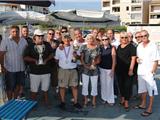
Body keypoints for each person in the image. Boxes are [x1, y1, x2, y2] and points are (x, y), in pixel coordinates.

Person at [23, 29, 53, 107]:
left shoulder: (47, 44)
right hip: (34, 72)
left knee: (45, 89)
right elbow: (25, 57)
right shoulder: (30, 46)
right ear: (34, 37)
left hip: (46, 71)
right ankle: (32, 104)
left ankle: (46, 102)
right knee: (34, 90)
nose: (40, 37)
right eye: (38, 36)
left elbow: (52, 54)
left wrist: (47, 59)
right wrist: (34, 60)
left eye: (42, 36)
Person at [55, 34, 82, 110]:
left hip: (73, 70)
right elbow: (56, 60)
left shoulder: (74, 47)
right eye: (65, 38)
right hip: (63, 70)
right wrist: (61, 66)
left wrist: (75, 55)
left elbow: (79, 57)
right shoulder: (59, 48)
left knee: (74, 87)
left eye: (68, 38)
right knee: (62, 87)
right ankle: (63, 102)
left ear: (70, 39)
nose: (66, 40)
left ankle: (75, 102)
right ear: (62, 39)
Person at [0, 26, 28, 100]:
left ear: (19, 32)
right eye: (13, 31)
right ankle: (10, 102)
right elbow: (1, 55)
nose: (15, 33)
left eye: (16, 31)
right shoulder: (5, 41)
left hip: (21, 68)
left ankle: (15, 100)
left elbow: (27, 52)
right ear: (10, 32)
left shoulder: (23, 41)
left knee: (18, 86)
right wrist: (2, 67)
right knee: (10, 87)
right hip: (10, 69)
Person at [136, 30, 159, 116]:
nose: (143, 37)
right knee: (143, 89)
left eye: (145, 35)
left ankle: (149, 108)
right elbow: (138, 57)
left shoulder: (153, 46)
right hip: (141, 72)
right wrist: (138, 59)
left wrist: (153, 71)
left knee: (151, 90)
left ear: (148, 35)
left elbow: (156, 60)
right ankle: (143, 104)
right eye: (141, 36)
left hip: (149, 72)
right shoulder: (139, 46)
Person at [116, 32, 136, 111]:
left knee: (127, 86)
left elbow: (133, 59)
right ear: (120, 38)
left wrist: (131, 70)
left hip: (128, 70)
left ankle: (126, 101)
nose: (124, 39)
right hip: (119, 70)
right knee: (120, 85)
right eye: (122, 37)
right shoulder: (118, 47)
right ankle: (123, 98)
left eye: (125, 37)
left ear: (128, 38)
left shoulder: (131, 47)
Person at [80, 34, 100, 108]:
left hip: (94, 69)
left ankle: (93, 100)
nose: (90, 40)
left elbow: (99, 59)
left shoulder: (97, 47)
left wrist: (94, 63)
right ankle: (85, 100)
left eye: (91, 38)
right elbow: (81, 58)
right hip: (85, 69)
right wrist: (85, 65)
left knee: (94, 85)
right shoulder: (83, 47)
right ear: (86, 40)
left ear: (93, 39)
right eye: (88, 39)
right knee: (85, 85)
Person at [99, 35, 116, 105]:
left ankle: (110, 100)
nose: (104, 41)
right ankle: (104, 98)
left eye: (106, 39)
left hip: (109, 69)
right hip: (101, 69)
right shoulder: (100, 48)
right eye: (103, 40)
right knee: (103, 84)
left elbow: (114, 61)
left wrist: (112, 70)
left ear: (108, 40)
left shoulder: (112, 48)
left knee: (109, 85)